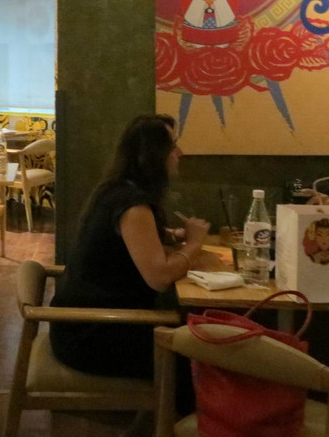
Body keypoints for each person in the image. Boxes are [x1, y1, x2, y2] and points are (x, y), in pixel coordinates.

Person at [49, 114, 220, 379]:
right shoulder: (133, 205)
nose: (179, 153)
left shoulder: (116, 189)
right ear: (152, 156)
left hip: (82, 323)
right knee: (204, 362)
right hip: (94, 333)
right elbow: (159, 278)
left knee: (202, 346)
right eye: (172, 146)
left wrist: (174, 235)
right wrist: (195, 243)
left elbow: (130, 239)